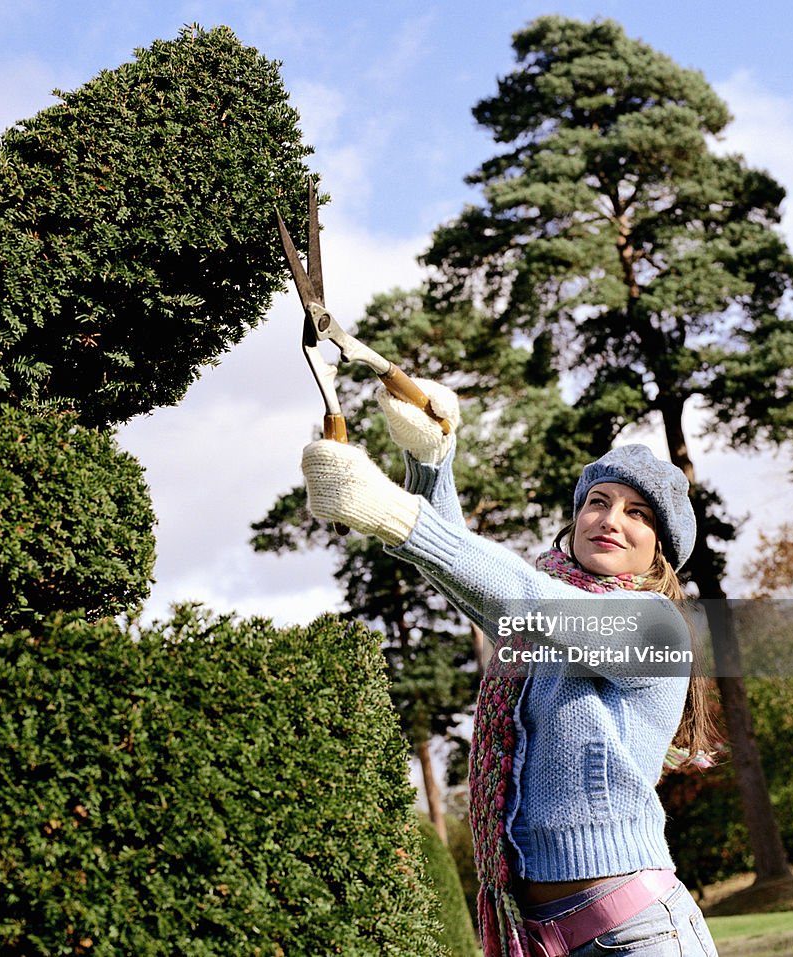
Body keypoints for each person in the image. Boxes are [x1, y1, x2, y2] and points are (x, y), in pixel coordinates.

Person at [300, 378, 720, 957]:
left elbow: (526, 597)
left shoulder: (655, 627)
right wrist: (431, 461)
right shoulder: (542, 629)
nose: (610, 518)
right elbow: (478, 581)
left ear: (660, 550)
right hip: (542, 936)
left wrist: (395, 513)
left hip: (637, 935)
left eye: (637, 512)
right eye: (597, 501)